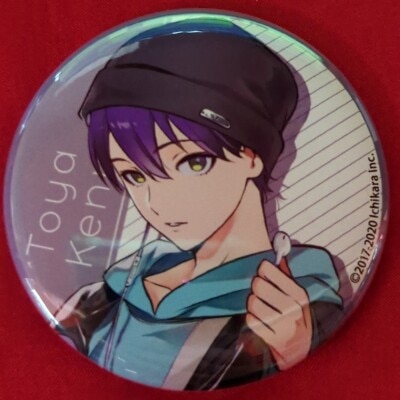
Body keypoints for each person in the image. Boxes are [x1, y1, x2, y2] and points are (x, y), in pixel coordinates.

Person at [55, 18, 343, 390]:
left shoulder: (304, 306)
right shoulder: (102, 297)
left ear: (252, 156)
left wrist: (294, 349)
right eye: (134, 176)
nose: (159, 202)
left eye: (193, 163)